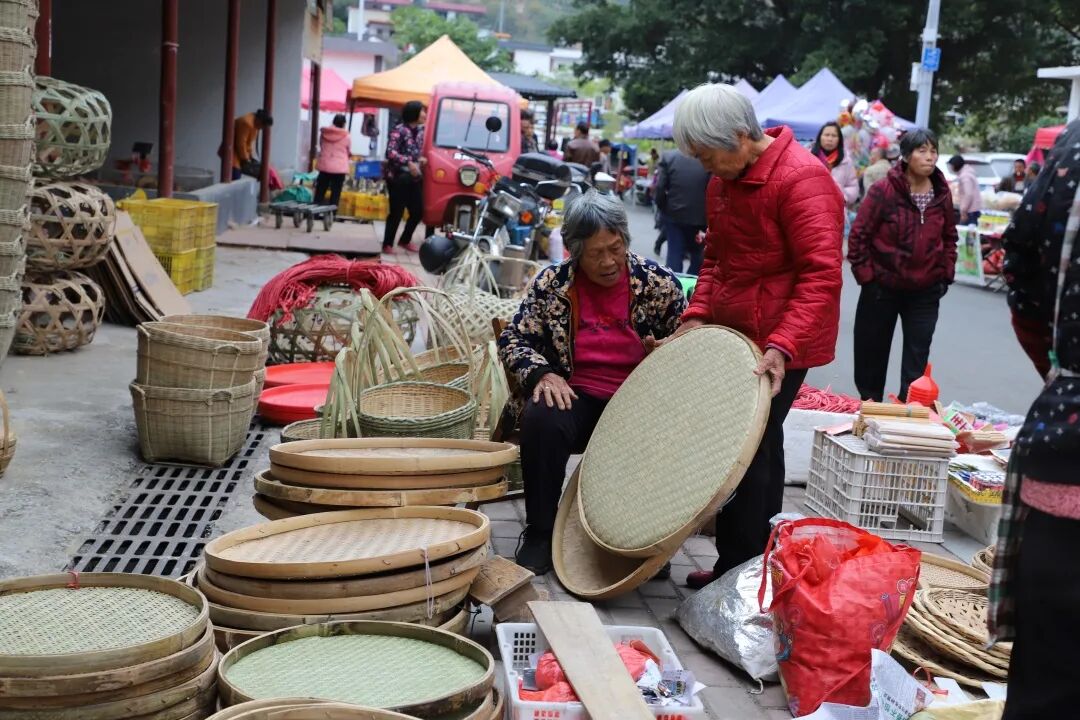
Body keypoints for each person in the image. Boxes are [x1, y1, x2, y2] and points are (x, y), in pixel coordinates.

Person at [669, 83, 844, 589]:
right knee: (743, 447)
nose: (706, 167)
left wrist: (782, 344)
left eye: (708, 155)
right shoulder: (721, 182)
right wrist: (698, 313)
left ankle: (743, 571)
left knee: (755, 447)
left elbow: (821, 276)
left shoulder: (804, 180)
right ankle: (745, 566)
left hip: (784, 341)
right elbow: (717, 260)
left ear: (742, 137)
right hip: (733, 334)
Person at [498, 191, 687, 573]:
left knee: (665, 431)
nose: (608, 262)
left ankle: (642, 541)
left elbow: (693, 342)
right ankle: (540, 531)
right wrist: (543, 373)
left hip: (639, 398)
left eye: (615, 249)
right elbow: (514, 338)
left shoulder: (657, 283)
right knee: (542, 418)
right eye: (596, 253)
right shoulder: (552, 285)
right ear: (572, 251)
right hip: (576, 393)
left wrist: (665, 351)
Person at [991, 119, 1080, 720]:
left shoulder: (1074, 145)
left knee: (1050, 677)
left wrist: (1059, 370)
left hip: (1067, 441)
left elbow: (1018, 257)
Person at [848, 128, 957, 403]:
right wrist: (867, 278)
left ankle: (910, 411)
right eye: (922, 151)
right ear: (906, 156)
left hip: (925, 290)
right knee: (871, 351)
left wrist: (945, 274)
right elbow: (859, 236)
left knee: (917, 356)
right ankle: (870, 406)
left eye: (933, 151)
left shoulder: (941, 194)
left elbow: (949, 237)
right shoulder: (883, 190)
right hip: (882, 287)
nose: (930, 157)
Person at [654, 148, 709, 274]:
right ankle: (692, 290)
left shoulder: (669, 156)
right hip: (701, 219)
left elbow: (660, 187)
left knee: (674, 254)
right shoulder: (708, 156)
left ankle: (673, 288)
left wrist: (663, 208)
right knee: (698, 257)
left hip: (674, 216)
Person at [383, 100, 426, 253]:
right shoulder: (399, 130)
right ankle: (387, 244)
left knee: (418, 211)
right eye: (422, 111)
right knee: (396, 212)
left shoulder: (420, 132)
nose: (424, 114)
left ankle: (405, 240)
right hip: (397, 178)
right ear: (413, 113)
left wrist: (419, 160)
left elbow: (414, 152)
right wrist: (408, 162)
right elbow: (390, 152)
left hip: (413, 178)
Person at [811, 121, 859, 206]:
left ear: (839, 139)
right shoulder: (809, 157)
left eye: (834, 136)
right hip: (811, 207)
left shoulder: (846, 161)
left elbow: (853, 186)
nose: (830, 139)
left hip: (836, 209)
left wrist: (842, 197)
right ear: (820, 137)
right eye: (827, 135)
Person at [313, 113, 351, 208]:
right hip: (339, 168)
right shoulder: (346, 136)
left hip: (325, 166)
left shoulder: (324, 134)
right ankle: (331, 214)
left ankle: (315, 213)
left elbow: (322, 146)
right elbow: (348, 151)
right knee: (336, 192)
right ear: (344, 124)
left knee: (320, 191)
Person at [232, 109, 272, 180]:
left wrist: (250, 156)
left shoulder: (253, 123)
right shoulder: (247, 123)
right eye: (263, 127)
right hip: (233, 154)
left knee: (236, 176)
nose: (262, 129)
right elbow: (241, 143)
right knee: (235, 176)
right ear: (260, 121)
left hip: (239, 155)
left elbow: (248, 143)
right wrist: (246, 159)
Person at [948, 154, 982, 225]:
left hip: (970, 211)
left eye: (951, 166)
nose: (950, 168)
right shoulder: (967, 173)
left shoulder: (965, 176)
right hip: (973, 209)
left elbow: (968, 194)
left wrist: (963, 210)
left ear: (955, 165)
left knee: (965, 233)